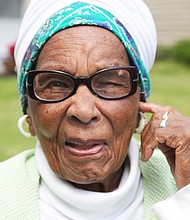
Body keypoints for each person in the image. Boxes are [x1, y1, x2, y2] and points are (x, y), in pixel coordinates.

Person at [0, 0, 190, 219]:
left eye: (109, 82)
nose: (83, 111)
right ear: (29, 114)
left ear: (139, 105)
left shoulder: (181, 179)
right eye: (56, 84)